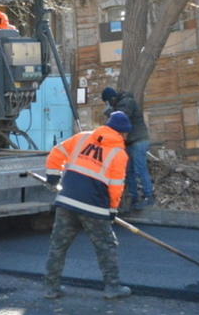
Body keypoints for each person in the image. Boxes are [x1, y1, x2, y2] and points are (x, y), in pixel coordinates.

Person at [43, 111, 133, 300]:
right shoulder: (119, 153)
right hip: (94, 207)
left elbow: (56, 152)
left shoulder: (82, 138)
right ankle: (112, 288)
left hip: (66, 200)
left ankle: (51, 288)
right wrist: (112, 209)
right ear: (123, 133)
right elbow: (116, 187)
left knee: (58, 245)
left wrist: (53, 176)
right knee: (106, 246)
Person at [102, 87, 155, 212]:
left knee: (140, 169)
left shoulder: (126, 102)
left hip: (139, 141)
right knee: (129, 171)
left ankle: (149, 197)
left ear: (112, 98)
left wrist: (109, 112)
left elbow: (121, 119)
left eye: (107, 102)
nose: (108, 105)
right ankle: (133, 199)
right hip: (131, 142)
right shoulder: (121, 104)